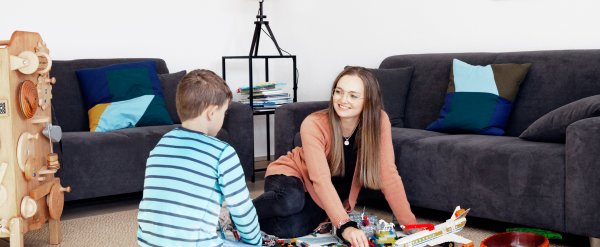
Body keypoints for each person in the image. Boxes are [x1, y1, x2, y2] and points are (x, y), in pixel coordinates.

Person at [253, 66, 417, 247]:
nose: (343, 100)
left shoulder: (379, 121)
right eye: (338, 92)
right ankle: (243, 212)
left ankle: (251, 222)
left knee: (293, 227)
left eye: (353, 95)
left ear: (369, 100)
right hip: (290, 175)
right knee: (291, 201)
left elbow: (388, 174)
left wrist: (409, 224)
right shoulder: (313, 123)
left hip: (319, 194)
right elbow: (320, 179)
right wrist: (344, 225)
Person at [137, 69, 262, 247]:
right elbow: (242, 210)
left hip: (147, 242)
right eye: (224, 113)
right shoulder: (222, 152)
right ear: (211, 113)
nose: (223, 118)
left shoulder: (161, 144)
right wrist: (256, 243)